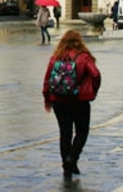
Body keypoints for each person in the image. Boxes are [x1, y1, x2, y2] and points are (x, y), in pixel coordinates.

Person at [42, 29, 101, 179]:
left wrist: (47, 99)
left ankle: (67, 167)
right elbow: (95, 74)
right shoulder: (84, 57)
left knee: (65, 133)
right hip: (79, 100)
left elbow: (47, 80)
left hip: (59, 101)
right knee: (82, 132)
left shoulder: (55, 58)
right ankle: (72, 158)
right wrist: (92, 90)